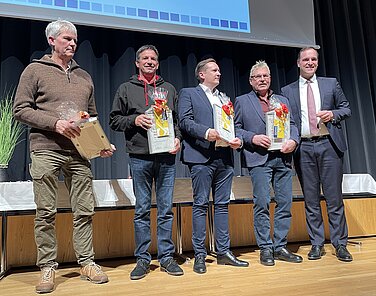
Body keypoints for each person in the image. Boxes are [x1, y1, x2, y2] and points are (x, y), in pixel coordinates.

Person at [13, 20, 113, 294]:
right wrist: (55, 124)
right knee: (45, 212)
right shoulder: (35, 69)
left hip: (79, 153)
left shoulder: (85, 76)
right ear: (52, 40)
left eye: (75, 40)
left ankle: (87, 263)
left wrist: (98, 144)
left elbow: (90, 118)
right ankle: (47, 267)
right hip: (46, 148)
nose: (72, 44)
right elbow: (20, 109)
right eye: (67, 39)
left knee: (85, 211)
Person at [109, 45, 183, 280]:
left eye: (153, 59)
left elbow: (179, 121)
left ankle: (166, 258)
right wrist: (135, 119)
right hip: (139, 157)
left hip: (166, 156)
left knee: (165, 210)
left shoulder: (169, 89)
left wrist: (179, 139)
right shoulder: (126, 88)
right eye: (145, 59)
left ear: (158, 63)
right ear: (137, 63)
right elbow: (114, 120)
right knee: (141, 209)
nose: (149, 62)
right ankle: (142, 259)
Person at [281, 47, 352, 262]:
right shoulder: (287, 90)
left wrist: (333, 114)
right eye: (306, 59)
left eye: (314, 59)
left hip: (329, 145)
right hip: (304, 148)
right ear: (298, 63)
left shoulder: (331, 83)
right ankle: (317, 244)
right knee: (311, 200)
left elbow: (346, 108)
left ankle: (340, 245)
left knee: (334, 199)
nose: (310, 62)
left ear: (317, 62)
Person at [178, 58, 249, 274]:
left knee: (222, 205)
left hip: (224, 157)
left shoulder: (224, 98)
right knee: (200, 204)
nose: (219, 73)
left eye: (219, 70)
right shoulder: (188, 93)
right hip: (201, 156)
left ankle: (223, 252)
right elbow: (184, 121)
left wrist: (236, 140)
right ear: (202, 74)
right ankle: (200, 254)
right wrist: (206, 132)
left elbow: (230, 127)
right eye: (214, 70)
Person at [234, 60, 303, 266]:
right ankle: (265, 248)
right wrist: (253, 138)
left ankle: (280, 246)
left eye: (265, 76)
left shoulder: (282, 100)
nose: (262, 79)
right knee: (262, 203)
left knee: (285, 204)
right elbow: (235, 128)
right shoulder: (242, 101)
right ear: (251, 81)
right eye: (258, 77)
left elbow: (292, 125)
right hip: (259, 159)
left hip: (282, 158)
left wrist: (294, 140)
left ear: (270, 78)